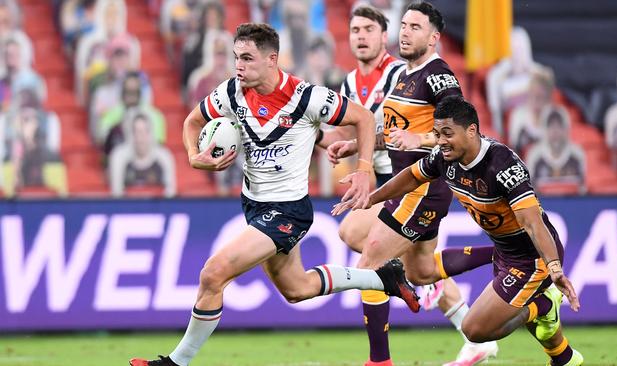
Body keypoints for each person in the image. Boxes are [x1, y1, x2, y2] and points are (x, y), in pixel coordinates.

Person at [129, 22, 420, 366]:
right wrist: (196, 158)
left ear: (272, 60)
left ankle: (176, 362)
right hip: (254, 206)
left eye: (248, 58)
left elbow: (363, 120)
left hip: (287, 211)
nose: (239, 66)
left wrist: (363, 168)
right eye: (237, 57)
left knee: (213, 273)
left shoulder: (305, 97)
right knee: (298, 289)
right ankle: (383, 278)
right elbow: (192, 122)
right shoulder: (231, 93)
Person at [333, 95, 584, 366]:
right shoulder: (444, 158)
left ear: (472, 130)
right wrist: (371, 198)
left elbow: (533, 223)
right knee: (508, 310)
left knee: (475, 330)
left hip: (532, 257)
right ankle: (565, 358)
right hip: (504, 251)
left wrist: (555, 269)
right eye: (437, 133)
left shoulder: (502, 165)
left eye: (447, 133)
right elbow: (410, 177)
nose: (440, 140)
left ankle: (544, 306)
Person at [324, 3, 497, 365]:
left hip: (422, 187)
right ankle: (505, 256)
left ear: (434, 37)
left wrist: (421, 139)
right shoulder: (405, 75)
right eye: (404, 25)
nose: (406, 32)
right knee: (421, 271)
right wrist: (355, 144)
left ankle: (379, 361)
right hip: (409, 185)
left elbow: (462, 127)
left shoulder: (438, 77)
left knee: (370, 259)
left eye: (415, 27)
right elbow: (393, 131)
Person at [526, 105, 587, 195]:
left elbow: (583, 190)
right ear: (544, 129)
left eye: (559, 126)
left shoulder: (577, 154)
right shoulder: (534, 155)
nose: (555, 131)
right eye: (551, 126)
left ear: (566, 129)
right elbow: (530, 191)